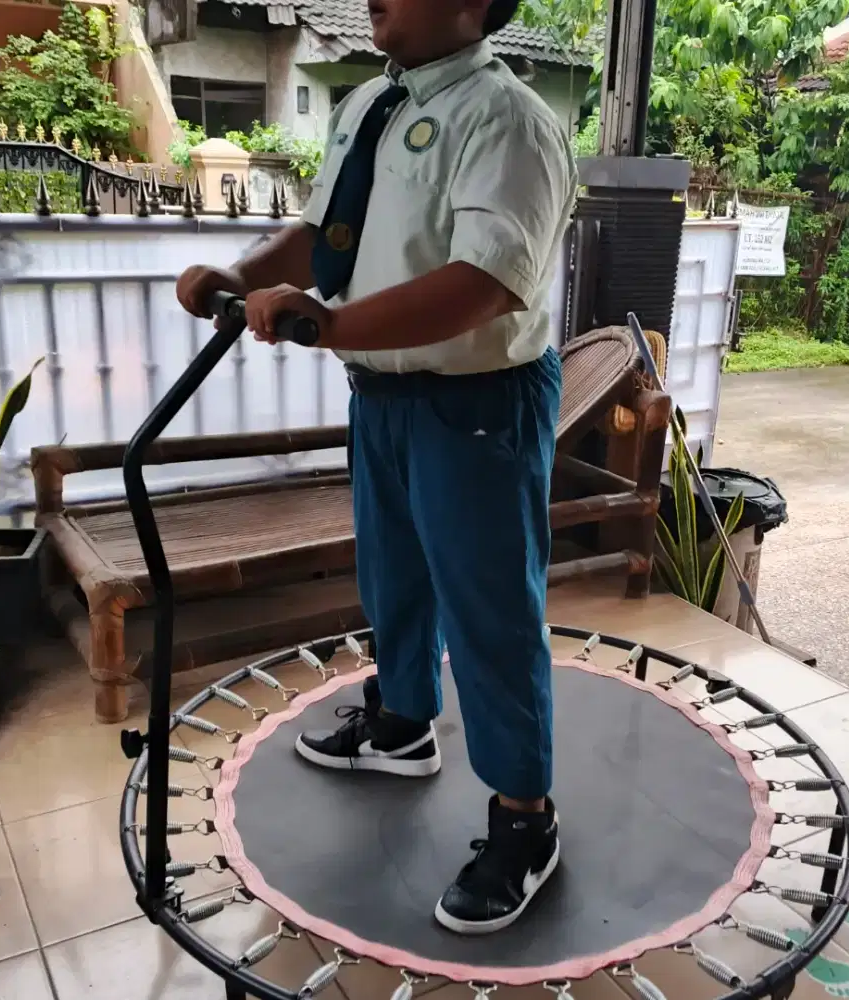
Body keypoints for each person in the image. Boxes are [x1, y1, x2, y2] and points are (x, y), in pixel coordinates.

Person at [176, 0, 576, 936]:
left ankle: (526, 819)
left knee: (489, 613)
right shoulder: (367, 104)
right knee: (393, 576)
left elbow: (487, 283)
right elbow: (327, 234)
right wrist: (241, 278)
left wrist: (332, 323)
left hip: (478, 402)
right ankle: (401, 724)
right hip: (383, 395)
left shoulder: (510, 119)